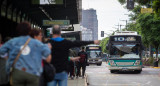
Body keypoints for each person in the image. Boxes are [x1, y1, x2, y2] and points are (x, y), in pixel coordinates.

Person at [0, 22, 51, 86]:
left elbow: (1, 51)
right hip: (33, 73)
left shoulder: (13, 41)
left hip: (17, 72)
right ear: (29, 31)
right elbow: (47, 52)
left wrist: (7, 57)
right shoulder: (36, 43)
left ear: (18, 30)